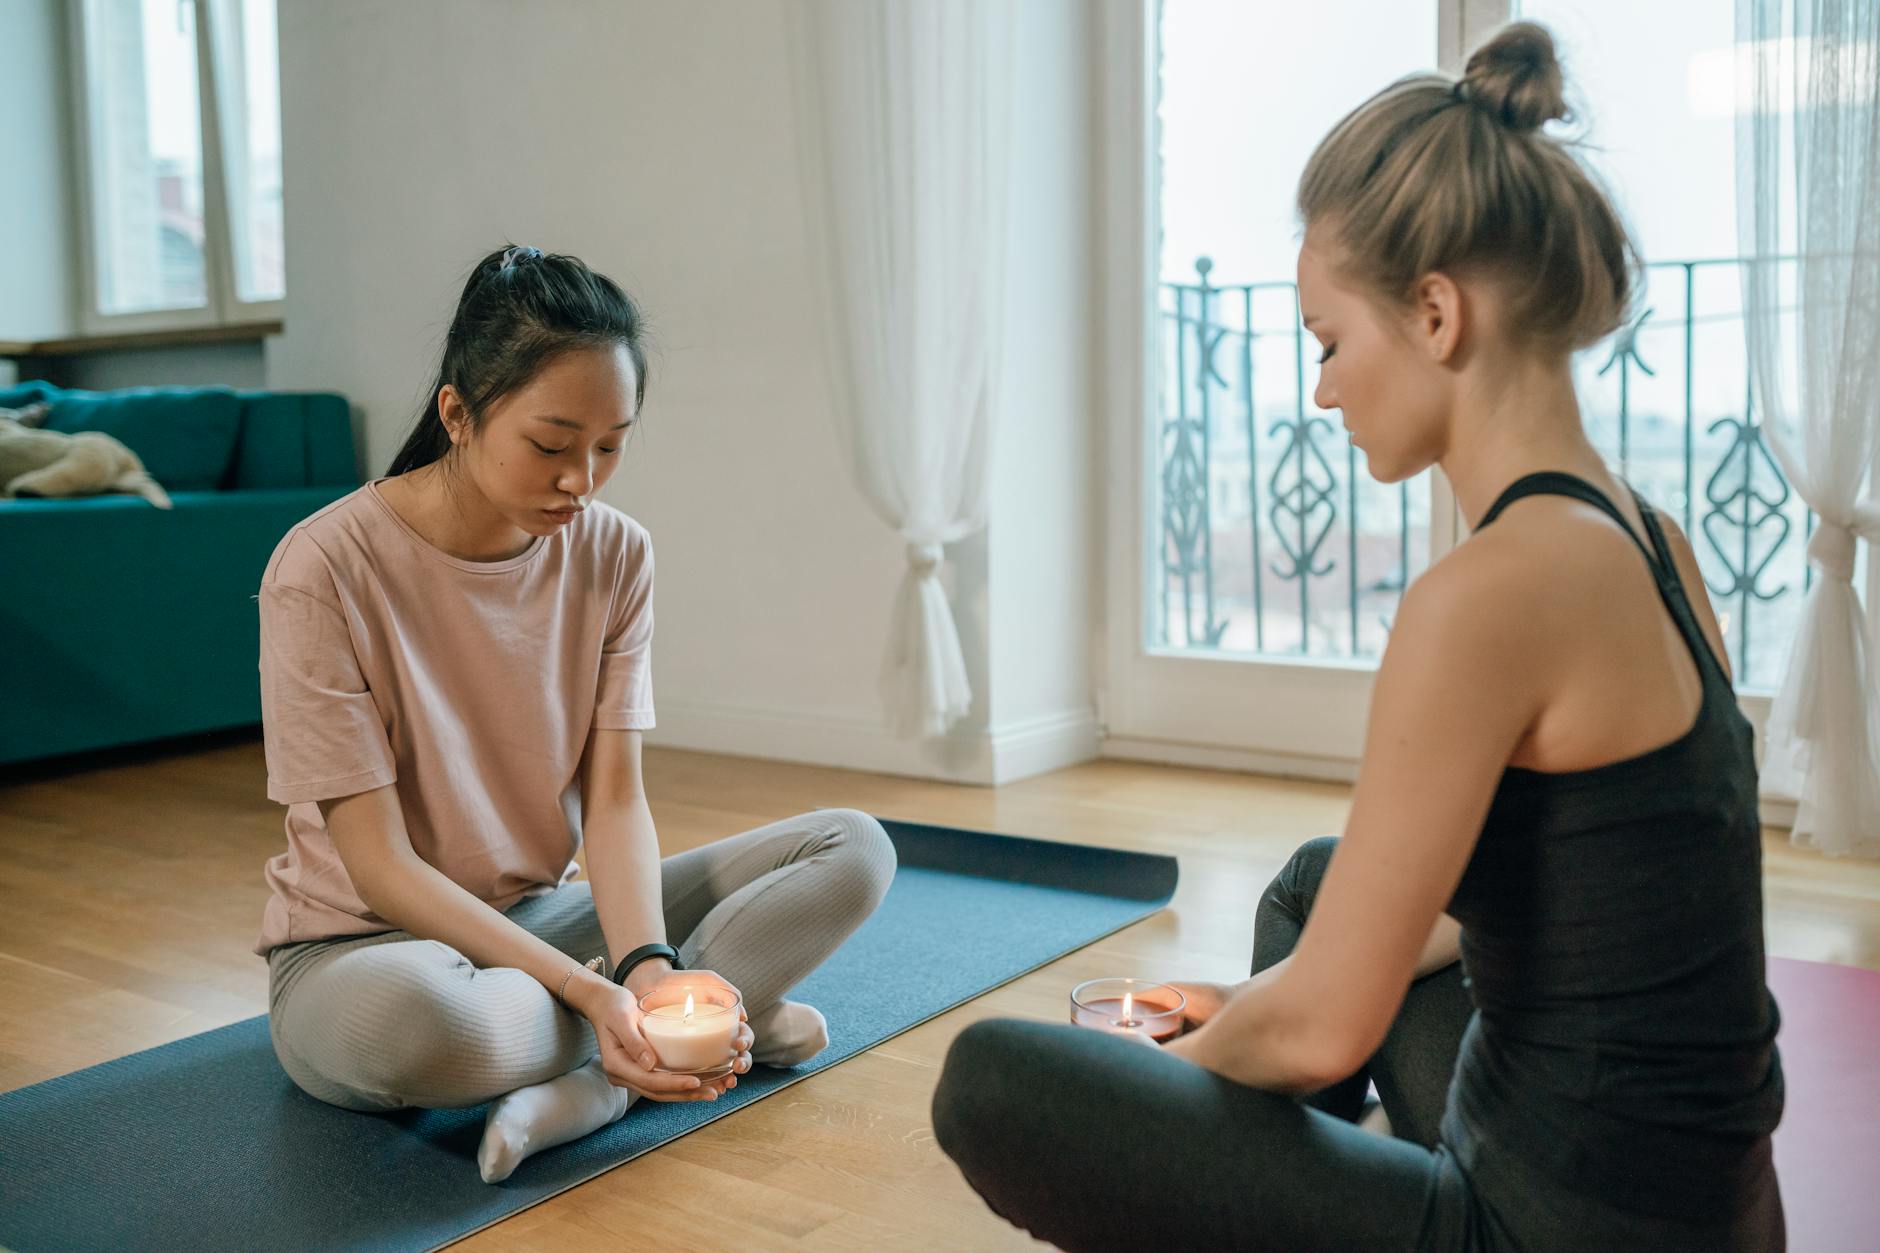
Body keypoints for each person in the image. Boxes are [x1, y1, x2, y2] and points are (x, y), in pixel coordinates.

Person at [932, 24, 1784, 1251]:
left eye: (1327, 341)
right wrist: (1230, 1006)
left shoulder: (1485, 592)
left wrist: (1180, 1077)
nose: (1320, 389)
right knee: (1323, 882)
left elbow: (1325, 1028)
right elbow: (1572, 899)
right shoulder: (1650, 540)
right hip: (1705, 1211)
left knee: (993, 1079)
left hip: (1544, 1226)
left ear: (1434, 313)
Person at [255, 244, 895, 1183]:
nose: (582, 479)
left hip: (545, 917)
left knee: (855, 846)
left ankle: (608, 1083)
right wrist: (590, 986)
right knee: (431, 1026)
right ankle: (701, 1030)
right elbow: (381, 869)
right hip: (367, 958)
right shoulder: (321, 569)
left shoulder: (615, 554)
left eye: (611, 443)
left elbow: (616, 800)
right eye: (552, 444)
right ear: (458, 414)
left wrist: (638, 961)